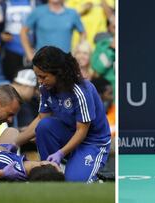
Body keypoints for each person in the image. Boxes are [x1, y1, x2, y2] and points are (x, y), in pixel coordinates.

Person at [16, 46, 111, 182]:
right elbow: (41, 119)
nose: (39, 81)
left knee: (73, 184)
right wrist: (15, 143)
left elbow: (82, 132)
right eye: (37, 76)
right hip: (68, 133)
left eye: (43, 77)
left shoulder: (81, 90)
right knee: (44, 126)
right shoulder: (45, 88)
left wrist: (61, 153)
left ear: (58, 73)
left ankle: (97, 179)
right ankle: (50, 171)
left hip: (91, 141)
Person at [20, 0, 86, 62]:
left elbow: (83, 32)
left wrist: (78, 52)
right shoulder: (38, 11)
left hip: (65, 62)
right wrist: (29, 54)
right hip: (42, 62)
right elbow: (23, 32)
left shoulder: (72, 13)